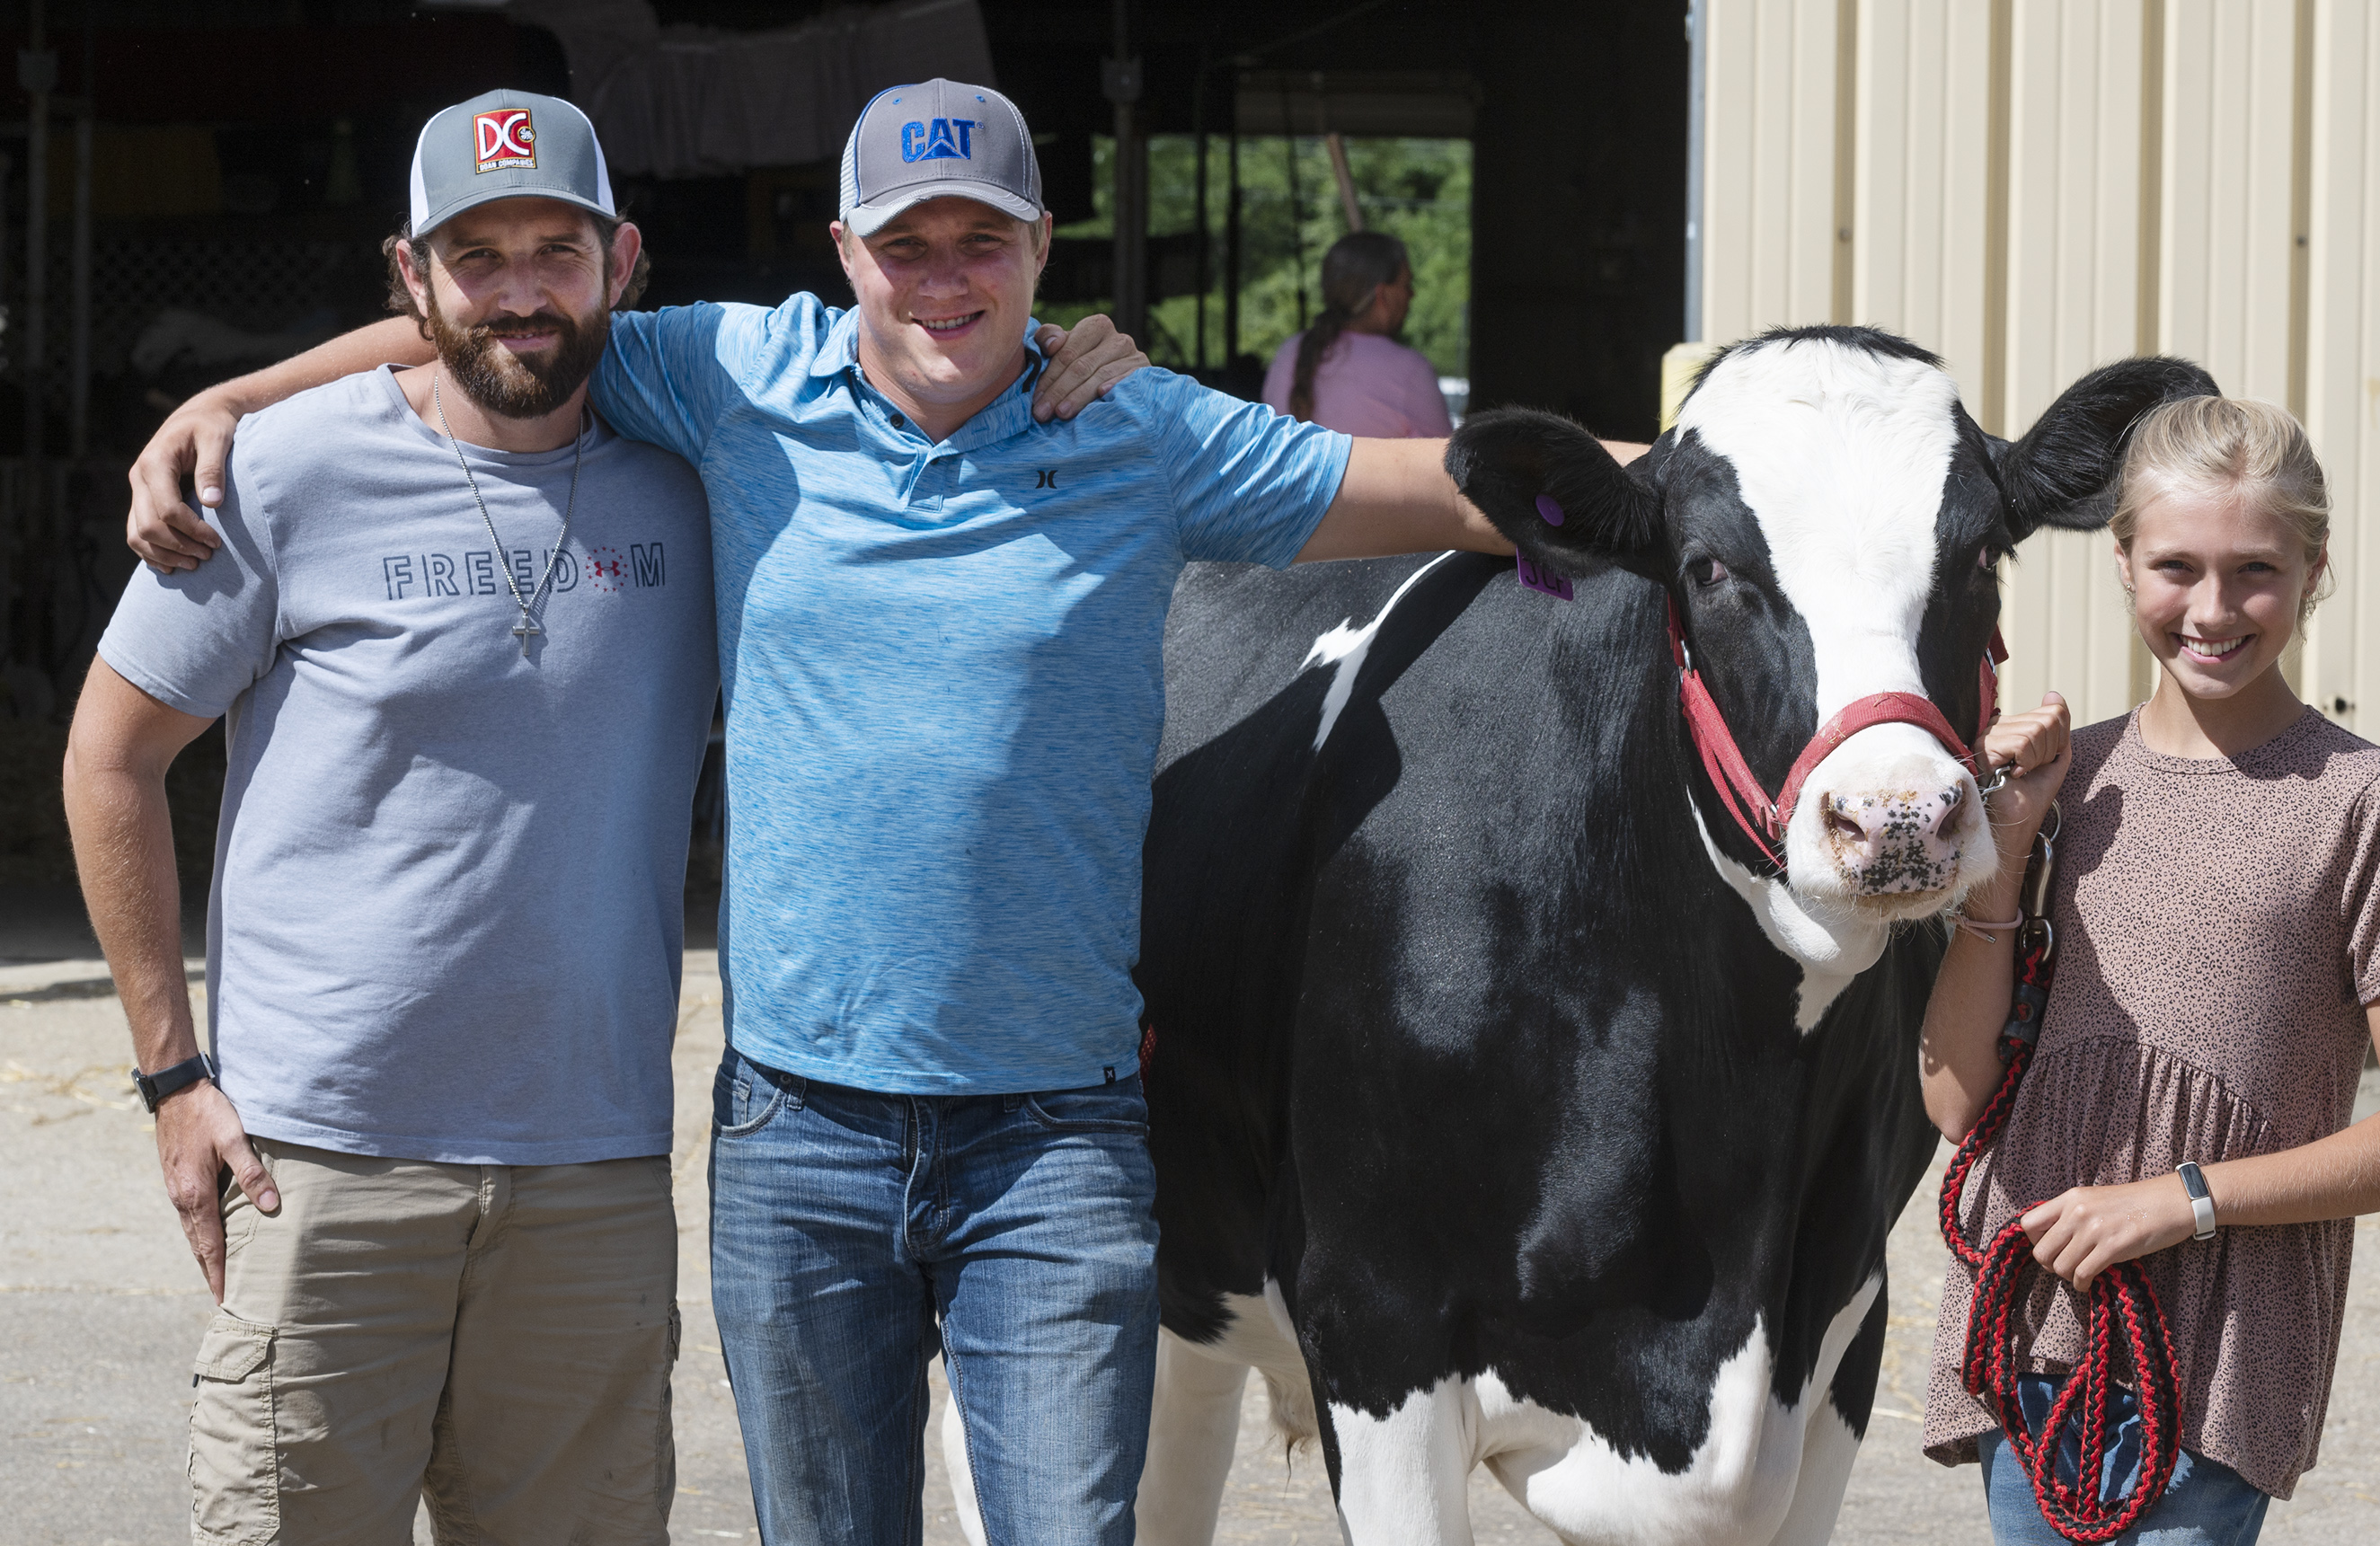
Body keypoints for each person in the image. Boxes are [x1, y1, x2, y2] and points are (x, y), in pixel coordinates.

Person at [125, 76, 1638, 1546]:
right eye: (903, 243)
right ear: (844, 254)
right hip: (800, 1136)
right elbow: (505, 317)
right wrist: (239, 397)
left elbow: (1439, 486)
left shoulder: (1144, 433)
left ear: (1044, 246)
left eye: (980, 241)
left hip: (1056, 1141)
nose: (942, 279)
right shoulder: (732, 376)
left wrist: (1717, 483)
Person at [87, 88, 1137, 1543]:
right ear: (412, 275)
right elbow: (108, 758)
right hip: (314, 1174)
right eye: (478, 256)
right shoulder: (275, 473)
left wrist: (1057, 357)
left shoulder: (709, 469)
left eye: (556, 250)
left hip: (592, 1177)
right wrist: (168, 1075)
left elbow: (911, 377)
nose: (520, 290)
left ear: (623, 262)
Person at [1917, 395, 2380, 1544]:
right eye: (2176, 565)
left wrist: (2181, 1201)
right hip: (2034, 1327)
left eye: (2255, 571)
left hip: (2214, 1356)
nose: (2213, 610)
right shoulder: (2066, 782)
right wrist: (2002, 855)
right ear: (2121, 563)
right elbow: (1952, 1095)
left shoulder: (2356, 802)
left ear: (2314, 569)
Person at [1262, 230, 1452, 437]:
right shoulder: (1411, 369)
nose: (1411, 295)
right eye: (1406, 285)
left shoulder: (1290, 352)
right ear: (1383, 294)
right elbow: (1444, 464)